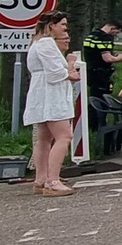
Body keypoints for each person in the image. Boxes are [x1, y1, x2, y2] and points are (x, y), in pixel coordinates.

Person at [24, 11, 82, 196]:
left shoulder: (36, 43)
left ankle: (41, 178)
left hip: (40, 94)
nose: (65, 28)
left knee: (44, 138)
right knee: (64, 136)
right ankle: (53, 180)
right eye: (62, 25)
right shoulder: (47, 44)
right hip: (51, 95)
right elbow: (57, 73)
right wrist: (70, 67)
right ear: (51, 26)